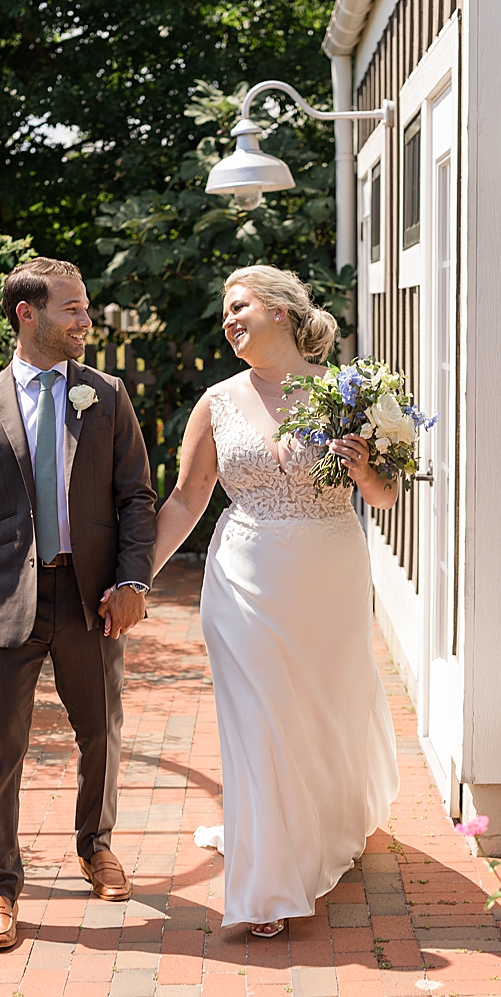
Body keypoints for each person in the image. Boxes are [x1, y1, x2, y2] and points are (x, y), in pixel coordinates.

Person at [139, 264, 400, 937]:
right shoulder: (217, 402)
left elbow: (386, 496)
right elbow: (187, 499)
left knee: (323, 707)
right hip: (244, 577)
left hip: (330, 572)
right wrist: (136, 579)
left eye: (240, 305)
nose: (229, 320)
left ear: (281, 311)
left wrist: (365, 469)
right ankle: (268, 884)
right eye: (225, 311)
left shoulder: (354, 393)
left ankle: (321, 823)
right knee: (258, 720)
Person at [0, 257, 157, 951]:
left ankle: (95, 845)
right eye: (72, 309)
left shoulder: (107, 395)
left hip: (93, 599)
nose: (86, 321)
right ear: (27, 315)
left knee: (101, 733)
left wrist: (133, 581)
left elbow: (135, 499)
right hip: (8, 600)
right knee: (0, 752)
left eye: (85, 308)